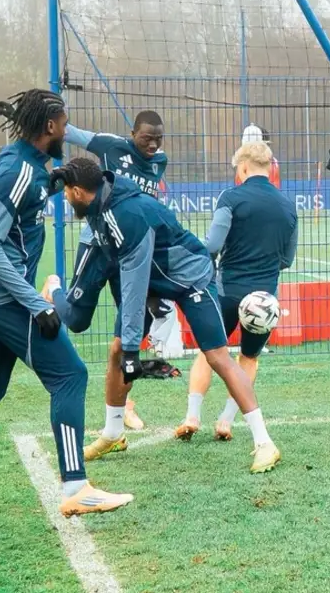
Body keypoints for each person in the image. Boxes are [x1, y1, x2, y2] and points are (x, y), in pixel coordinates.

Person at [0, 90, 132, 517]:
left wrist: (52, 185)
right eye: (64, 122)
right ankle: (76, 487)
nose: (68, 129)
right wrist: (35, 304)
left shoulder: (28, 165)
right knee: (70, 376)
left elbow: (22, 204)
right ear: (50, 127)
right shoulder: (18, 170)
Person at [50, 156, 280, 473]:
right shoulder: (101, 209)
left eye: (65, 192)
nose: (63, 198)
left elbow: (133, 277)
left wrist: (134, 348)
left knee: (216, 355)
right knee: (117, 350)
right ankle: (113, 433)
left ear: (77, 191)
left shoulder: (126, 214)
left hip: (191, 279)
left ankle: (265, 442)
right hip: (153, 283)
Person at [177, 141, 297, 441]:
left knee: (210, 352)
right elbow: (287, 259)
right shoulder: (288, 206)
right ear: (269, 168)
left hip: (228, 291)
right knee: (249, 357)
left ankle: (192, 415)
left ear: (243, 167)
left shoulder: (231, 197)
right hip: (264, 298)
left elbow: (214, 245)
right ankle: (226, 421)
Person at [64, 110, 169, 431]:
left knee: (130, 331)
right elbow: (70, 132)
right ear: (133, 133)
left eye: (157, 139)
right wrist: (35, 119)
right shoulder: (111, 147)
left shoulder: (159, 161)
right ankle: (53, 292)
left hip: (131, 247)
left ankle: (123, 407)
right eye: (146, 138)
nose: (152, 145)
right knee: (77, 318)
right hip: (96, 244)